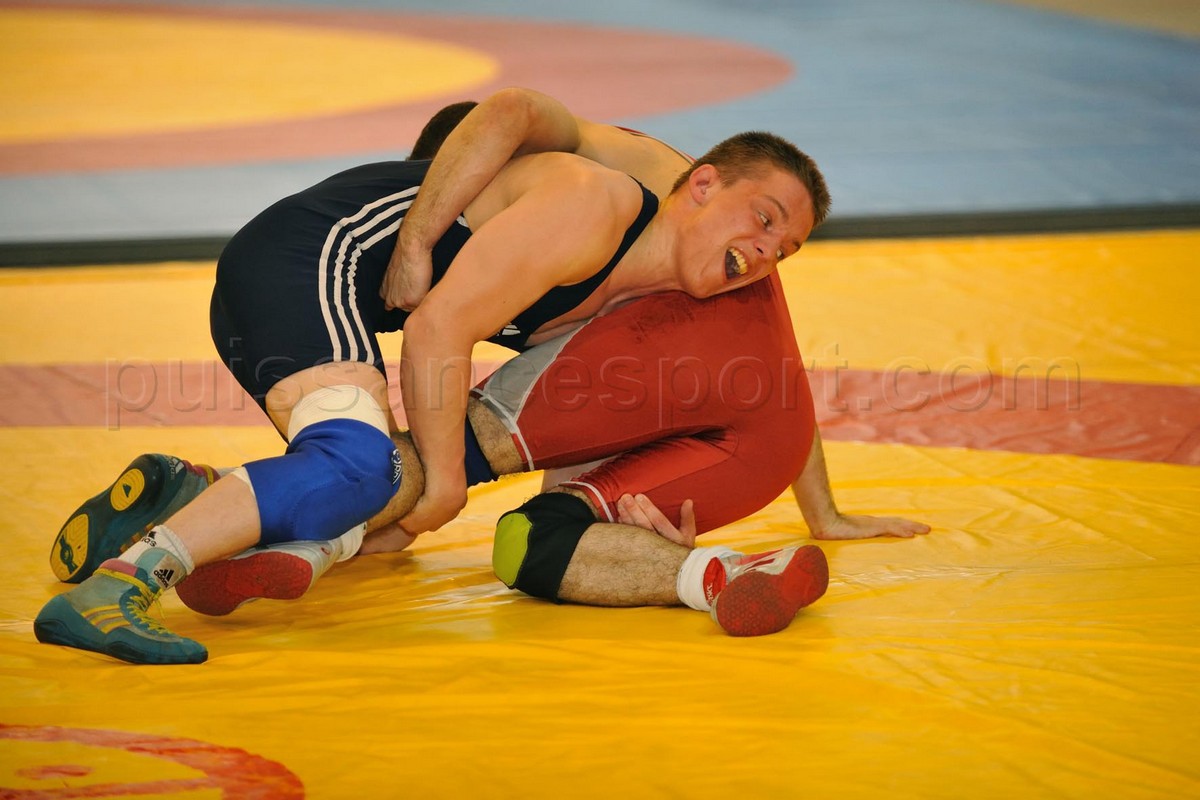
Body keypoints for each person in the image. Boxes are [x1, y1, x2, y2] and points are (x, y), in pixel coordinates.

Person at [38, 90, 926, 666]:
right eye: (763, 223)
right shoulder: (597, 199)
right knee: (365, 468)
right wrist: (447, 481)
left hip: (300, 283)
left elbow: (768, 365)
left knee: (359, 481)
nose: (768, 255)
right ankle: (124, 582)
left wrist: (610, 504)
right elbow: (437, 326)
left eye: (786, 248)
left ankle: (185, 497)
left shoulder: (673, 273)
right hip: (308, 256)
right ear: (701, 186)